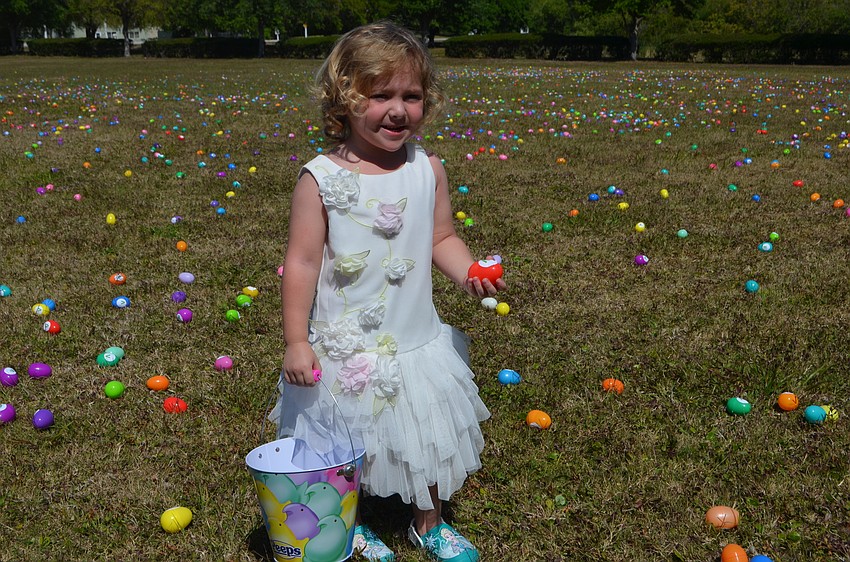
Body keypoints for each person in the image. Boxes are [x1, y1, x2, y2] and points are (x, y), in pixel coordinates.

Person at [271, 20, 506, 562]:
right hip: (345, 345)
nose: (398, 110)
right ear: (344, 99)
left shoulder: (427, 169)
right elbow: (302, 262)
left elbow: (440, 236)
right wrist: (295, 340)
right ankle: (347, 523)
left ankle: (429, 522)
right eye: (381, 95)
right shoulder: (320, 179)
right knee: (340, 442)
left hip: (413, 338)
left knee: (427, 436)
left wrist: (468, 270)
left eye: (412, 96)